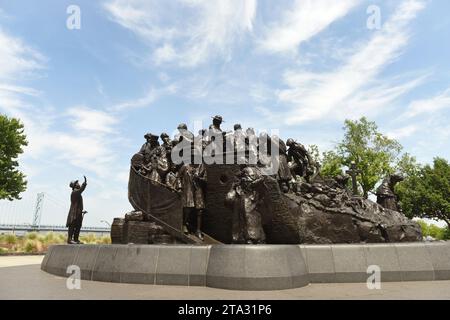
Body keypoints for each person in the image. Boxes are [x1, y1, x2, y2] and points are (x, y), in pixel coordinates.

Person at [66, 176, 87, 244]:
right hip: (74, 213)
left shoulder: (78, 193)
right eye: (77, 183)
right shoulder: (75, 192)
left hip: (78, 213)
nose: (79, 184)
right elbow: (81, 189)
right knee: (72, 226)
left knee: (78, 226)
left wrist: (81, 211)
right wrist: (84, 183)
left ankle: (76, 239)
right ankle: (69, 239)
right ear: (75, 185)